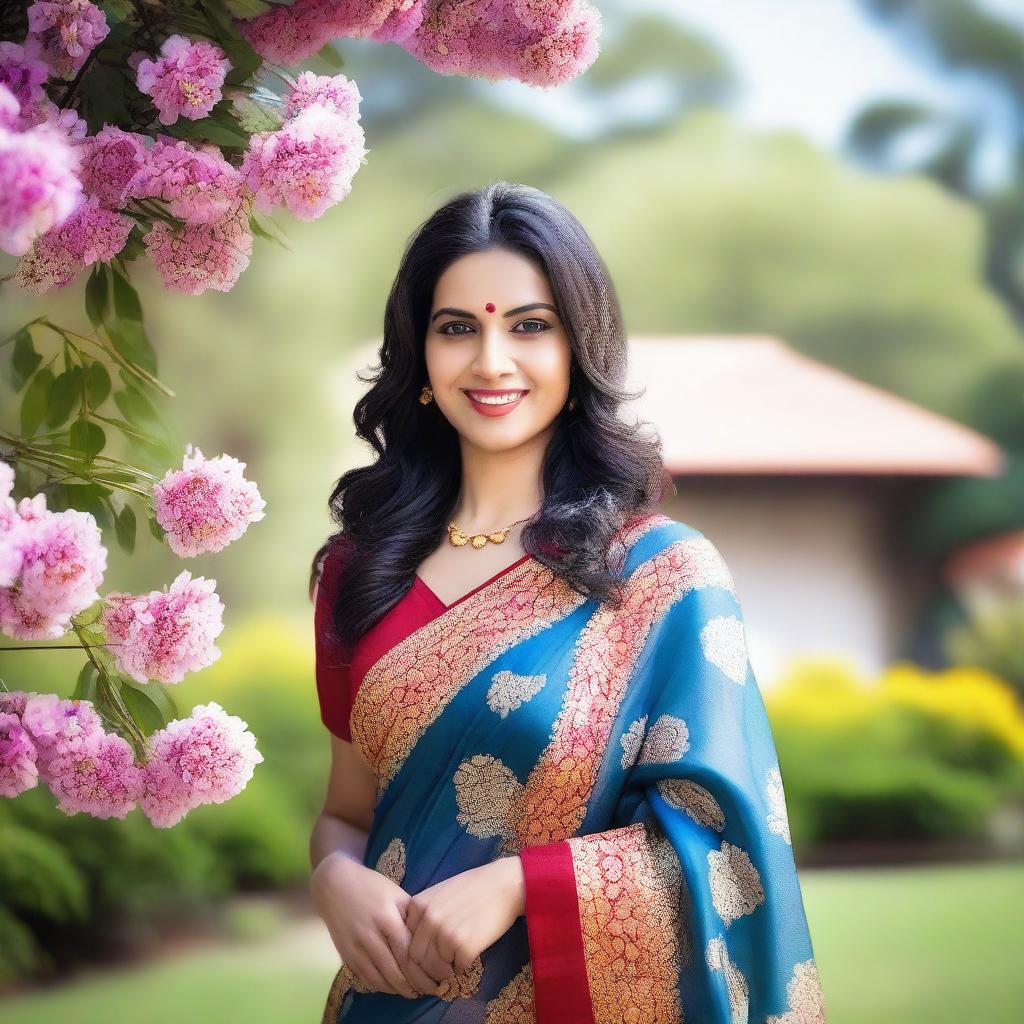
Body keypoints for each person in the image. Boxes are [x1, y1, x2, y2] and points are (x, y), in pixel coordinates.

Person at [308, 181, 827, 1023]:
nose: (491, 361)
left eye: (529, 326)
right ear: (421, 362)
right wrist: (332, 876)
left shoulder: (664, 576)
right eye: (456, 329)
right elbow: (344, 813)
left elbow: (729, 852)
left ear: (578, 353)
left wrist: (522, 885)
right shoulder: (357, 572)